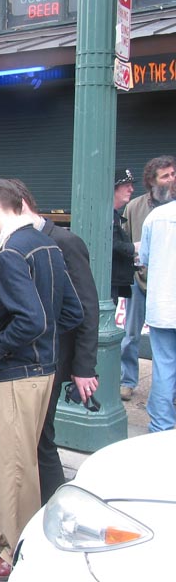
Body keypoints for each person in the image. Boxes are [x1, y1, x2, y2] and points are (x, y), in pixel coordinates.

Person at [0, 179, 83, 581]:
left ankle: (17, 550)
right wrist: (45, 349)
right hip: (41, 370)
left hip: (17, 372)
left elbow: (31, 319)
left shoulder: (12, 251)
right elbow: (71, 313)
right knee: (17, 459)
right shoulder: (47, 244)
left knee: (15, 465)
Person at [11, 179, 100, 505]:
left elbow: (87, 308)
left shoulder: (65, 241)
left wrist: (84, 367)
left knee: (41, 440)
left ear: (18, 204)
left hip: (53, 359)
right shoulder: (20, 242)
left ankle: (51, 511)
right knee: (31, 439)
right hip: (29, 361)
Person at [119, 155, 176, 401]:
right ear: (152, 181)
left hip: (168, 286)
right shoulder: (135, 207)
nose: (171, 179)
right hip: (139, 282)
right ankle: (127, 380)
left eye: (173, 174)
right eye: (165, 176)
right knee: (131, 334)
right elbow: (125, 244)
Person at [138, 179, 176, 433]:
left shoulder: (156, 216)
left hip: (163, 303)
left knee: (164, 365)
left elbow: (145, 258)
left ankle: (162, 426)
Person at [112, 168, 136, 305]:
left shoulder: (114, 214)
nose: (131, 189)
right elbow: (110, 243)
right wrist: (134, 248)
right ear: (114, 188)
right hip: (107, 284)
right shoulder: (105, 214)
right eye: (127, 186)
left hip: (114, 281)